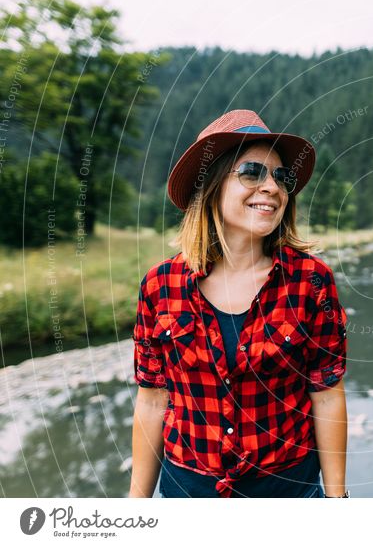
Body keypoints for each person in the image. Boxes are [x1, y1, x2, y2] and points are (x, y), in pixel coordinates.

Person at [128, 109, 350, 498]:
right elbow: (151, 402)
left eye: (282, 177)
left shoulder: (311, 281)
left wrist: (337, 501)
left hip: (290, 495)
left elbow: (327, 395)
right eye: (252, 172)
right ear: (211, 186)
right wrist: (136, 507)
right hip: (188, 494)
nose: (272, 187)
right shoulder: (160, 286)